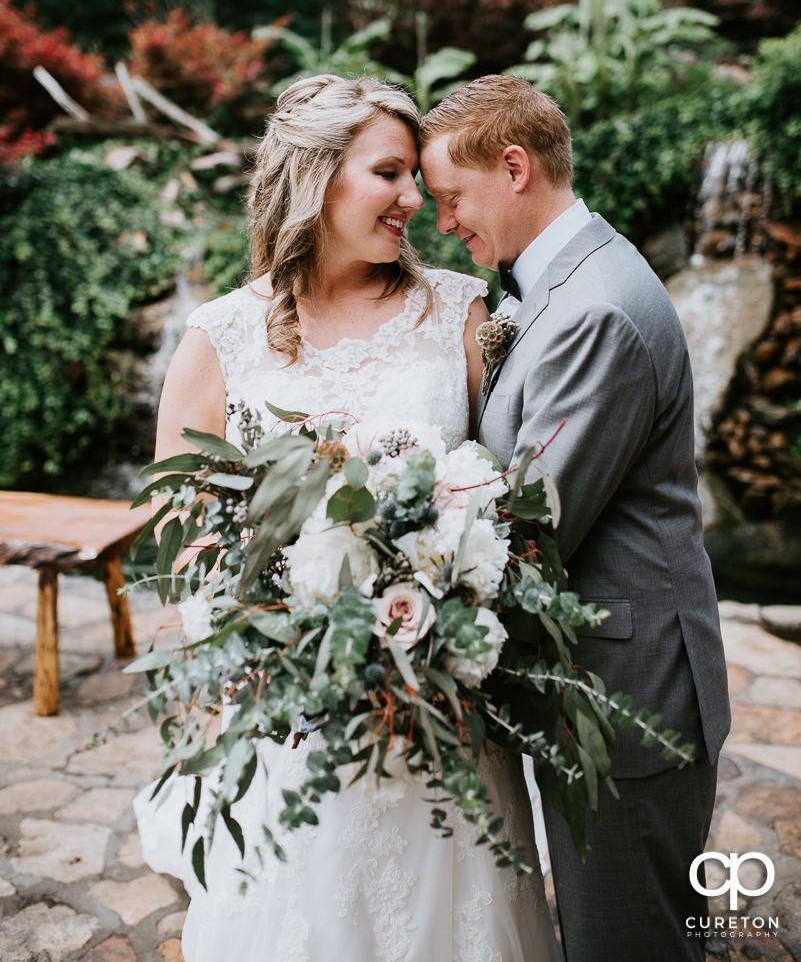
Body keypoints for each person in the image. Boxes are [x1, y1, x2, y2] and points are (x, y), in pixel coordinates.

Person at [135, 74, 561, 962]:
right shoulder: (222, 336)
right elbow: (183, 535)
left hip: (440, 709)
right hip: (295, 713)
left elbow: (506, 490)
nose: (416, 199)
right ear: (313, 176)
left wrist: (448, 597)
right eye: (390, 173)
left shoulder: (460, 311)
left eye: (415, 177)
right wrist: (279, 632)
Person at [419, 74, 731, 962]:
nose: (445, 222)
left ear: (513, 167)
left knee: (625, 942)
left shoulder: (595, 311)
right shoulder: (558, 280)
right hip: (598, 684)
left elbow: (529, 526)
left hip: (627, 699)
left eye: (452, 197)